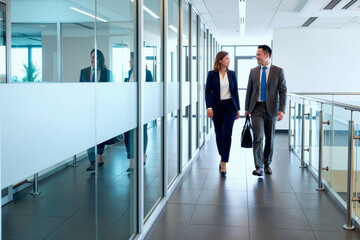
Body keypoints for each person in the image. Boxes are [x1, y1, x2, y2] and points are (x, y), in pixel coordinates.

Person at [244, 45, 287, 176]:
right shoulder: (253, 71)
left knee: (270, 139)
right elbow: (249, 90)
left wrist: (282, 110)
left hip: (272, 109)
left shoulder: (278, 71)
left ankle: (267, 163)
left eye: (259, 54)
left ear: (267, 55)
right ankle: (258, 166)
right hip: (256, 108)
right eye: (257, 54)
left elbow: (283, 91)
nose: (257, 57)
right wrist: (247, 108)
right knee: (258, 136)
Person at [205, 51, 240, 176]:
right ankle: (222, 155)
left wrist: (238, 109)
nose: (229, 61)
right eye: (227, 59)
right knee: (219, 134)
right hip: (216, 107)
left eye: (229, 59)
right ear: (220, 60)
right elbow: (208, 91)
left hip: (230, 107)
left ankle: (224, 162)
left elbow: (235, 91)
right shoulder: (212, 74)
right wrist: (209, 107)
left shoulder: (232, 74)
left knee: (227, 134)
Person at [79, 49, 110, 171]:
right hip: (88, 108)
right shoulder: (84, 72)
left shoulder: (106, 72)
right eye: (91, 57)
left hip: (102, 108)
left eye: (95, 58)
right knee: (89, 134)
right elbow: (80, 89)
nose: (93, 60)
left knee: (100, 132)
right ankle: (92, 161)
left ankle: (100, 155)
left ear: (100, 60)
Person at [124, 52, 154, 172]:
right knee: (129, 134)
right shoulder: (129, 73)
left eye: (131, 59)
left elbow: (151, 90)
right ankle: (132, 160)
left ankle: (142, 155)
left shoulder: (147, 73)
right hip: (130, 108)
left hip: (143, 108)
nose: (129, 62)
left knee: (142, 131)